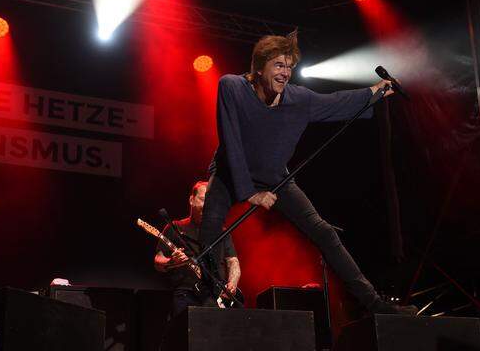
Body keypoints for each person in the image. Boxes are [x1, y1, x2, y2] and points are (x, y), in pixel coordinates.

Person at [198, 31, 417, 315]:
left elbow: (337, 101)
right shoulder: (232, 87)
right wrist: (249, 193)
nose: (285, 73)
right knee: (211, 226)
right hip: (230, 172)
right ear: (259, 66)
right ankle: (207, 303)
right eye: (278, 65)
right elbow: (231, 142)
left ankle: (375, 305)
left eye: (289, 67)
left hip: (275, 177)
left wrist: (375, 92)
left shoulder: (299, 99)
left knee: (324, 232)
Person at [154, 181, 241, 316]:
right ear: (191, 200)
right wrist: (172, 261)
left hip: (216, 296)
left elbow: (233, 261)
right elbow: (157, 261)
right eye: (203, 199)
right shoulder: (175, 227)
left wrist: (232, 283)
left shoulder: (222, 231)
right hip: (186, 294)